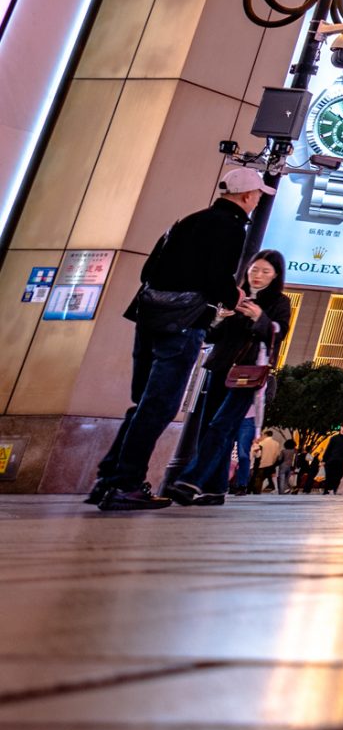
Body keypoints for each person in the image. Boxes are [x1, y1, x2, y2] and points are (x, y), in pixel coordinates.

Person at [90, 166, 264, 510]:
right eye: (258, 195)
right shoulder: (231, 228)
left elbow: (148, 270)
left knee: (144, 403)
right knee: (161, 405)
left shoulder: (188, 221)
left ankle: (107, 480)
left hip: (149, 316)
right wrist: (233, 297)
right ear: (246, 196)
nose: (258, 200)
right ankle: (125, 485)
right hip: (182, 323)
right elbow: (216, 277)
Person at [164, 246, 291, 507]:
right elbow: (210, 336)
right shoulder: (234, 295)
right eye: (254, 269)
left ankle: (190, 481)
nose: (258, 275)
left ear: (275, 276)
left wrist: (260, 317)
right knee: (210, 424)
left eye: (265, 272)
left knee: (221, 426)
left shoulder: (279, 302)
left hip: (249, 371)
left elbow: (278, 333)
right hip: (221, 367)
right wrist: (219, 319)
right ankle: (216, 488)